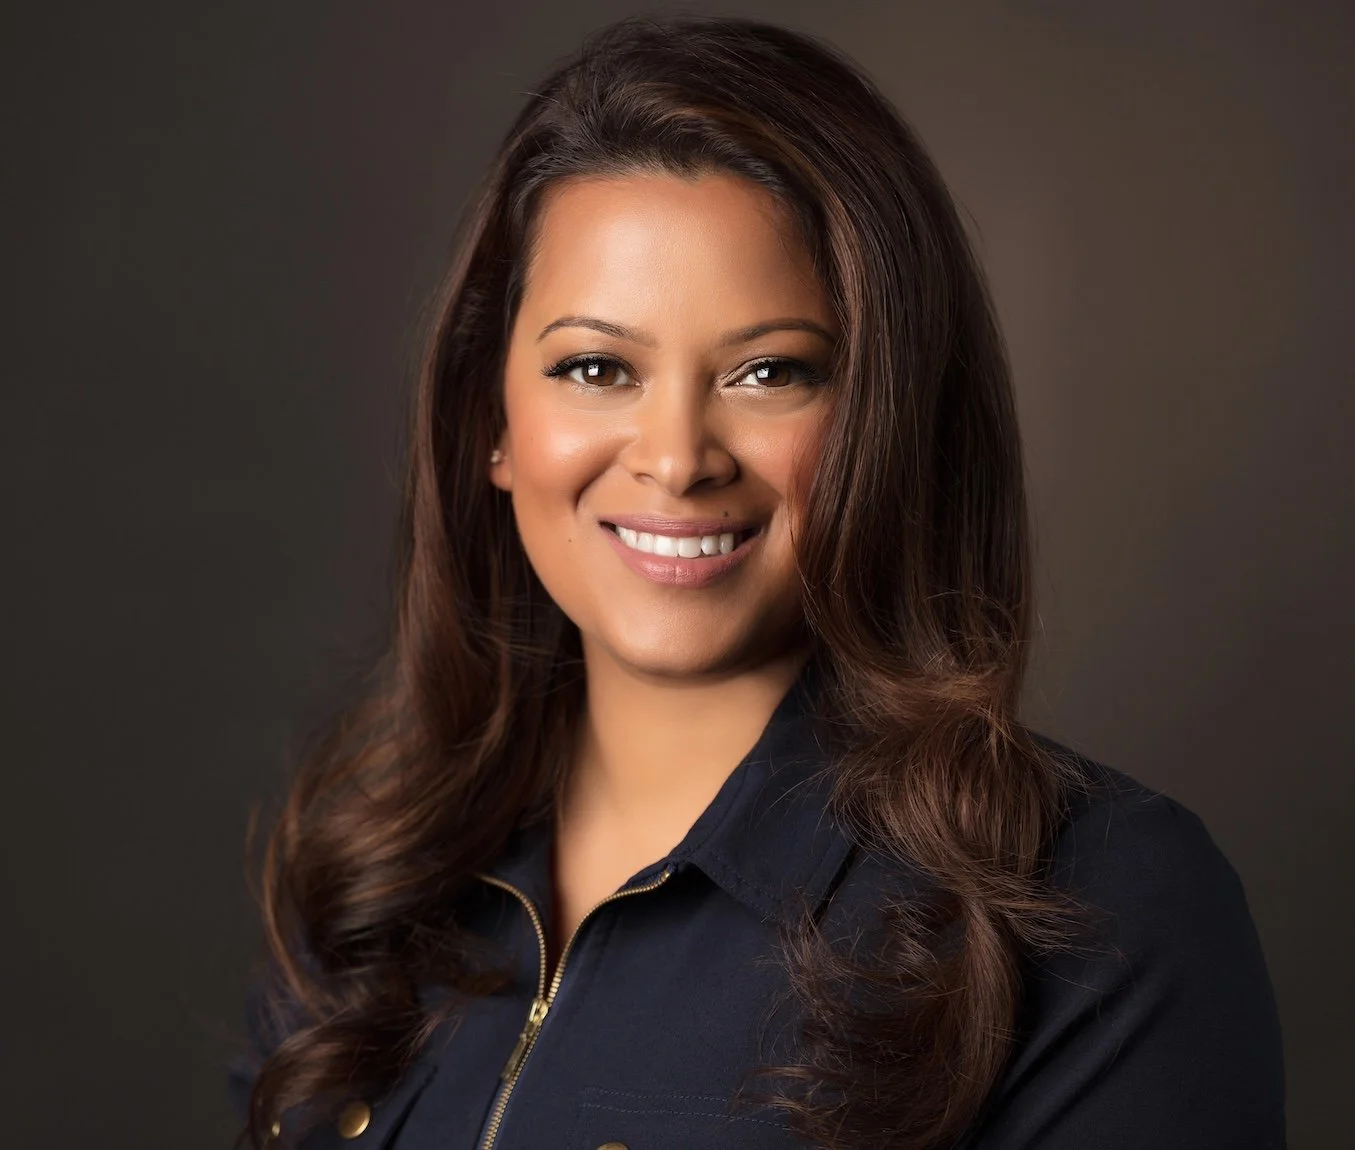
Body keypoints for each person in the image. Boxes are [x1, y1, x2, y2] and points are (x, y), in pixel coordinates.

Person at [230, 15, 1285, 1150]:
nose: (676, 458)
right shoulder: (373, 886)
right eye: (596, 367)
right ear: (490, 418)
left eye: (769, 371)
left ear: (886, 419)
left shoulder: (1090, 911)